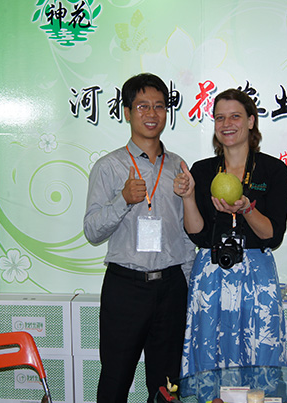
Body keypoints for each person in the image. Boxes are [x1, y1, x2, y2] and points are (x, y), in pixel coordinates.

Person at [83, 73, 195, 403]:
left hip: (171, 286)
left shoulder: (178, 167)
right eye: (142, 106)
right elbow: (92, 231)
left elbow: (186, 233)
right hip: (126, 288)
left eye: (159, 106)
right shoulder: (109, 167)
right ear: (127, 112)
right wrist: (122, 200)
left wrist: (188, 285)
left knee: (168, 384)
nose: (151, 113)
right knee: (115, 378)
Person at [174, 89, 287, 388]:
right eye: (220, 118)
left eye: (235, 116)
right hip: (211, 272)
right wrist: (188, 197)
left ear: (251, 121)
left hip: (257, 275)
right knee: (209, 354)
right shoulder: (202, 170)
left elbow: (272, 235)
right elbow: (197, 233)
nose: (227, 124)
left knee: (260, 351)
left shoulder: (273, 170)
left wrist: (247, 208)